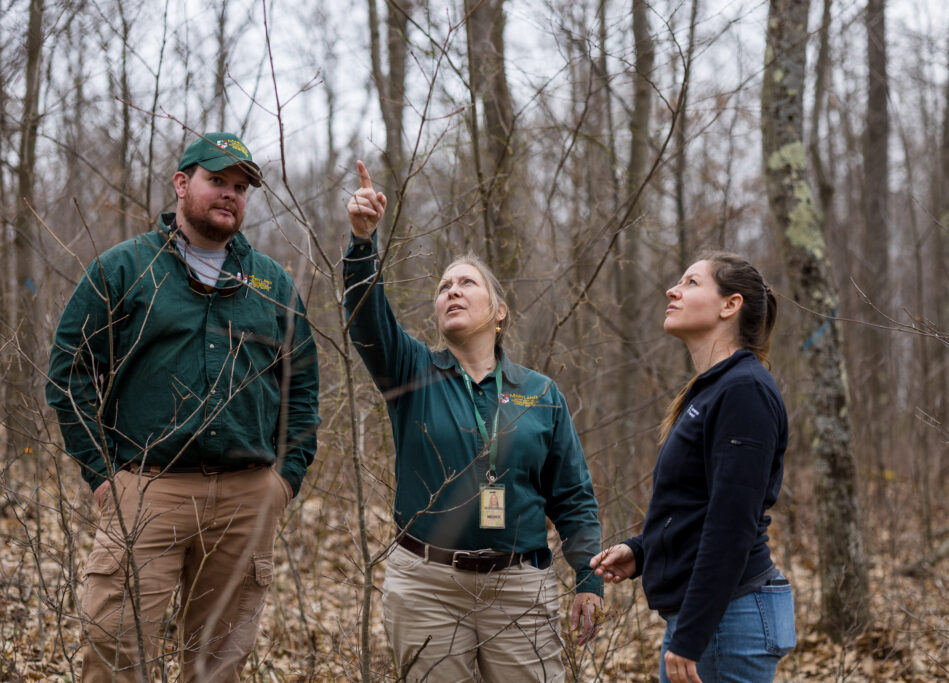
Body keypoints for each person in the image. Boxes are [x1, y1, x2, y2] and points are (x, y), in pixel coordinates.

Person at [46, 132, 320, 682]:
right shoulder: (125, 269)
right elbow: (69, 371)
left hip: (246, 497)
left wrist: (283, 480)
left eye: (240, 187)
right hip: (147, 491)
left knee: (218, 665)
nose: (230, 195)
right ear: (181, 183)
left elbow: (303, 386)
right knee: (115, 651)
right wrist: (104, 477)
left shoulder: (271, 282)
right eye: (216, 180)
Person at [344, 161, 603, 681]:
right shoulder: (412, 370)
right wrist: (362, 242)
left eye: (467, 283)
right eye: (443, 287)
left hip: (519, 587)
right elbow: (366, 317)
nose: (452, 291)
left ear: (500, 310)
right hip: (427, 585)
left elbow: (572, 494)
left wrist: (588, 580)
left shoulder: (540, 393)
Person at [590, 252, 796, 683]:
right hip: (712, 618)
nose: (673, 290)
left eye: (691, 282)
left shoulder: (744, 391)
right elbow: (697, 506)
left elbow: (732, 523)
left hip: (726, 621)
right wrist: (643, 550)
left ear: (729, 305)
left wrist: (692, 635)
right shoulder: (714, 390)